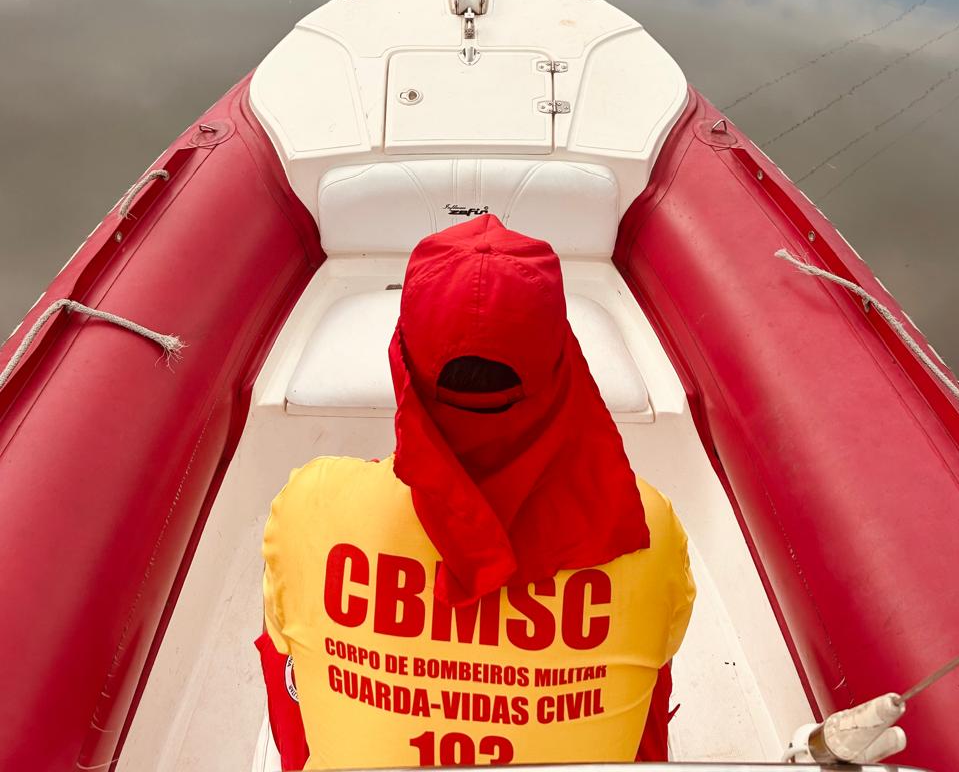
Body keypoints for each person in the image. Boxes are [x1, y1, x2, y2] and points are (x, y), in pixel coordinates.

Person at [256, 215, 695, 770]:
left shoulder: (310, 507)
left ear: (403, 362)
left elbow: (291, 696)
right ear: (563, 363)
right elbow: (650, 701)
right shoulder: (646, 529)